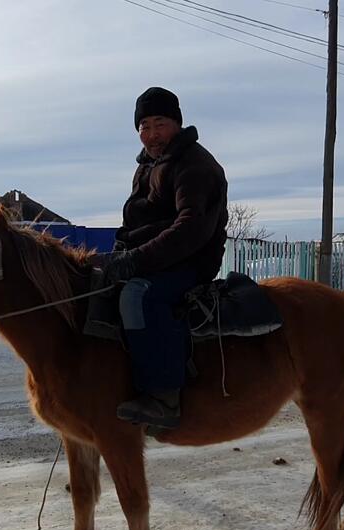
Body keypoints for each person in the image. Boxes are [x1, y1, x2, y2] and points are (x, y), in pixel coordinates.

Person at [101, 87, 229, 430]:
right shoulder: (148, 165)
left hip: (190, 260)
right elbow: (136, 222)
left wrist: (135, 261)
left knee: (137, 296)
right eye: (144, 126)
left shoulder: (195, 164)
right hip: (154, 258)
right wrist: (117, 254)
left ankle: (163, 395)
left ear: (176, 123)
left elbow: (191, 228)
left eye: (160, 123)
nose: (151, 134)